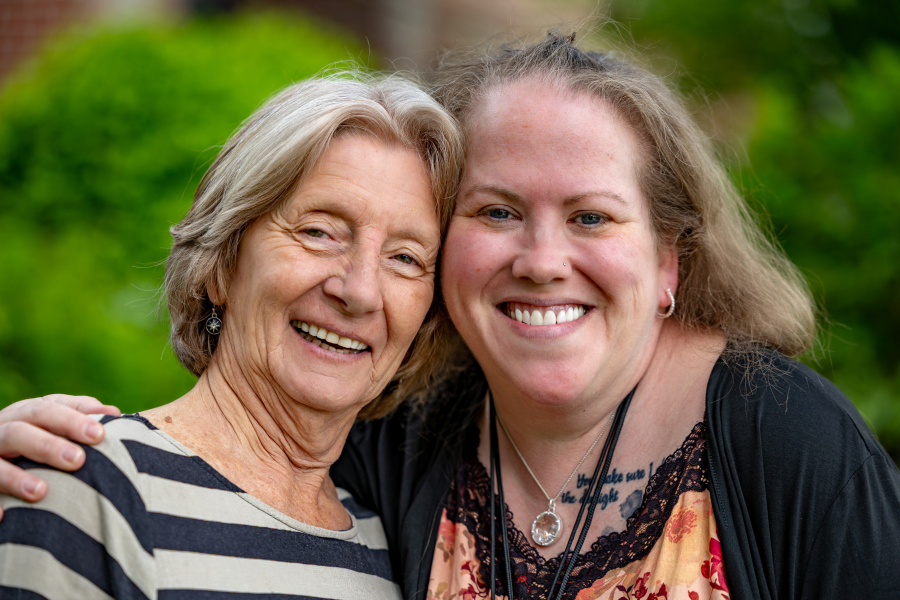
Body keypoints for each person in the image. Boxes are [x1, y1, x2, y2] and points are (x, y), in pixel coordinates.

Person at [2, 33, 899, 600]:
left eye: (590, 215)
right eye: (497, 211)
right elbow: (227, 456)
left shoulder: (784, 442)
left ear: (669, 260)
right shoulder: (396, 448)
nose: (542, 260)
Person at [0, 73, 464, 599]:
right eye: (318, 231)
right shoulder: (90, 491)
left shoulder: (391, 553)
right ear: (220, 265)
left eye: (404, 258)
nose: (359, 291)